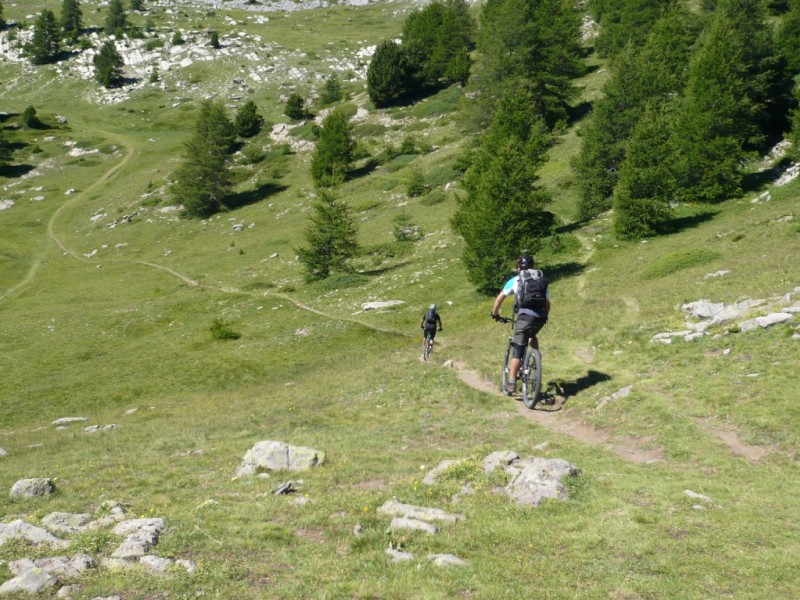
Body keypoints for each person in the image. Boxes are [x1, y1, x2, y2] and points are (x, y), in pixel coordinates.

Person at [491, 254, 550, 396]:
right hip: (540, 316)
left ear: (519, 267)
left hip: (524, 317)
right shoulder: (539, 280)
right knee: (532, 335)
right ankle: (536, 360)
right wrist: (545, 316)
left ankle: (511, 382)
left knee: (517, 348)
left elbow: (499, 299)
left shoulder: (515, 280)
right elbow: (547, 303)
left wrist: (495, 314)